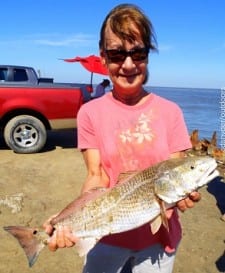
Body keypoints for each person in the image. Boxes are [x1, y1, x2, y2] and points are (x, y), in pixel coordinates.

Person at [44, 4, 201, 273]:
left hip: (158, 241)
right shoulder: (90, 112)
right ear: (103, 58)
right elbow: (96, 176)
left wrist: (186, 195)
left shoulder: (171, 112)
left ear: (148, 56)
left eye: (137, 52)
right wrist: (66, 220)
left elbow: (177, 172)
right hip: (106, 234)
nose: (128, 64)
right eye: (117, 54)